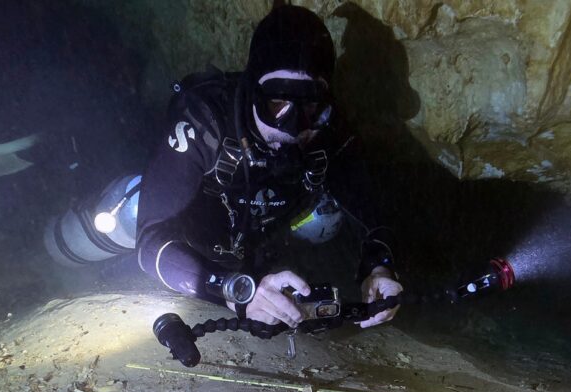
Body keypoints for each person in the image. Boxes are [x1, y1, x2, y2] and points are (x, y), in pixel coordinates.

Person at [136, 4, 402, 329]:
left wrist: (379, 267)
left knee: (327, 217)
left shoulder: (330, 132)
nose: (293, 127)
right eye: (277, 104)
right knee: (126, 214)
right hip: (192, 238)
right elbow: (149, 241)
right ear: (252, 90)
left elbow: (375, 212)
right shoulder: (204, 124)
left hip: (265, 239)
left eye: (311, 106)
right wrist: (235, 290)